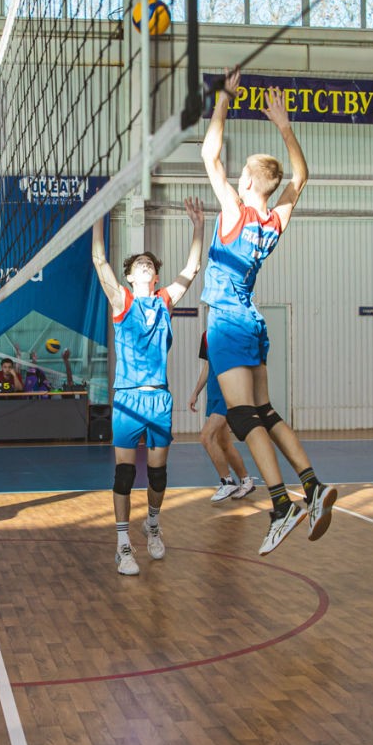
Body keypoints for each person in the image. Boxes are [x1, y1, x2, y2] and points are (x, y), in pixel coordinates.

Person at [200, 68, 336, 554]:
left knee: (242, 419)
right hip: (253, 322)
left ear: (249, 180)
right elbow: (301, 178)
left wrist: (223, 98)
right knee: (265, 410)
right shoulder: (275, 219)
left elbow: (209, 155)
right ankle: (312, 486)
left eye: (241, 173)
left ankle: (281, 506)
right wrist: (284, 126)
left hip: (228, 321)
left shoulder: (235, 212)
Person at [91, 197, 205, 575]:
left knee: (157, 475)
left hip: (158, 399)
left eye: (150, 264)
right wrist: (97, 217)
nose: (144, 264)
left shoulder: (163, 301)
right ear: (129, 276)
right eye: (139, 263)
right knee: (124, 475)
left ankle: (152, 523)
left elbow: (192, 268)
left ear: (155, 277)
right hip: (127, 399)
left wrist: (198, 227)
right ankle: (123, 544)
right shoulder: (121, 301)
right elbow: (99, 260)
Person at [189, 331, 258, 502]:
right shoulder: (206, 335)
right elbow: (208, 366)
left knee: (206, 436)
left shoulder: (234, 331)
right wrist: (196, 392)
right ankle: (246, 481)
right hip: (213, 395)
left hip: (227, 393)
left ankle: (227, 481)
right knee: (224, 443)